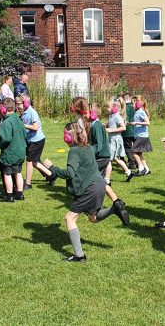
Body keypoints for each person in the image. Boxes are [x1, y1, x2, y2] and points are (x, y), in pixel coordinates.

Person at [47, 122, 129, 262]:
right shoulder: (89, 148)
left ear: (68, 137)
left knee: (69, 218)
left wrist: (52, 168)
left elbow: (69, 173)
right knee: (93, 218)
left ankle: (79, 256)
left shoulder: (74, 151)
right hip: (100, 186)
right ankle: (113, 209)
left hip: (89, 189)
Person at [71, 97, 129, 221]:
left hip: (101, 157)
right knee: (99, 180)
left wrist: (87, 151)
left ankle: (96, 205)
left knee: (92, 179)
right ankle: (116, 202)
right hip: (101, 157)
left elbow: (99, 145)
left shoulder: (96, 126)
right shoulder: (94, 125)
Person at [16, 95, 53, 189]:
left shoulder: (32, 112)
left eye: (19, 104)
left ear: (26, 103)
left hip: (37, 140)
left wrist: (23, 125)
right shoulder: (23, 112)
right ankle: (50, 175)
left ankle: (28, 184)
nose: (17, 106)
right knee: (35, 161)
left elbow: (35, 127)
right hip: (30, 141)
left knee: (30, 161)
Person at [0, 98, 27, 202]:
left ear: (3, 109)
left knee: (7, 173)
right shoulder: (19, 120)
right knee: (18, 172)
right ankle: (20, 194)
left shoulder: (6, 122)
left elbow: (6, 139)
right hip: (21, 151)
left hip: (10, 152)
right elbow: (24, 135)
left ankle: (9, 196)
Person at [126, 95, 153, 179]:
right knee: (139, 153)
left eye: (133, 103)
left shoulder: (141, 112)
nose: (131, 105)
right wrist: (130, 123)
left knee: (133, 151)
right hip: (139, 136)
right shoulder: (137, 112)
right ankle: (147, 169)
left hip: (142, 136)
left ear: (138, 104)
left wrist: (137, 123)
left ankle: (141, 168)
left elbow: (148, 123)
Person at [104, 99, 131, 178]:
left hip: (115, 140)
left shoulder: (117, 117)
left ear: (114, 108)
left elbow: (123, 127)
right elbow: (109, 124)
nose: (106, 109)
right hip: (111, 139)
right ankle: (128, 172)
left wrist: (111, 130)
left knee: (109, 159)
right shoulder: (110, 116)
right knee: (116, 158)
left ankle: (107, 179)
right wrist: (104, 125)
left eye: (108, 107)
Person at [121, 92, 138, 170]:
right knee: (136, 147)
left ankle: (132, 163)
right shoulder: (134, 107)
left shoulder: (123, 108)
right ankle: (138, 163)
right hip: (135, 130)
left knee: (128, 147)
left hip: (127, 131)